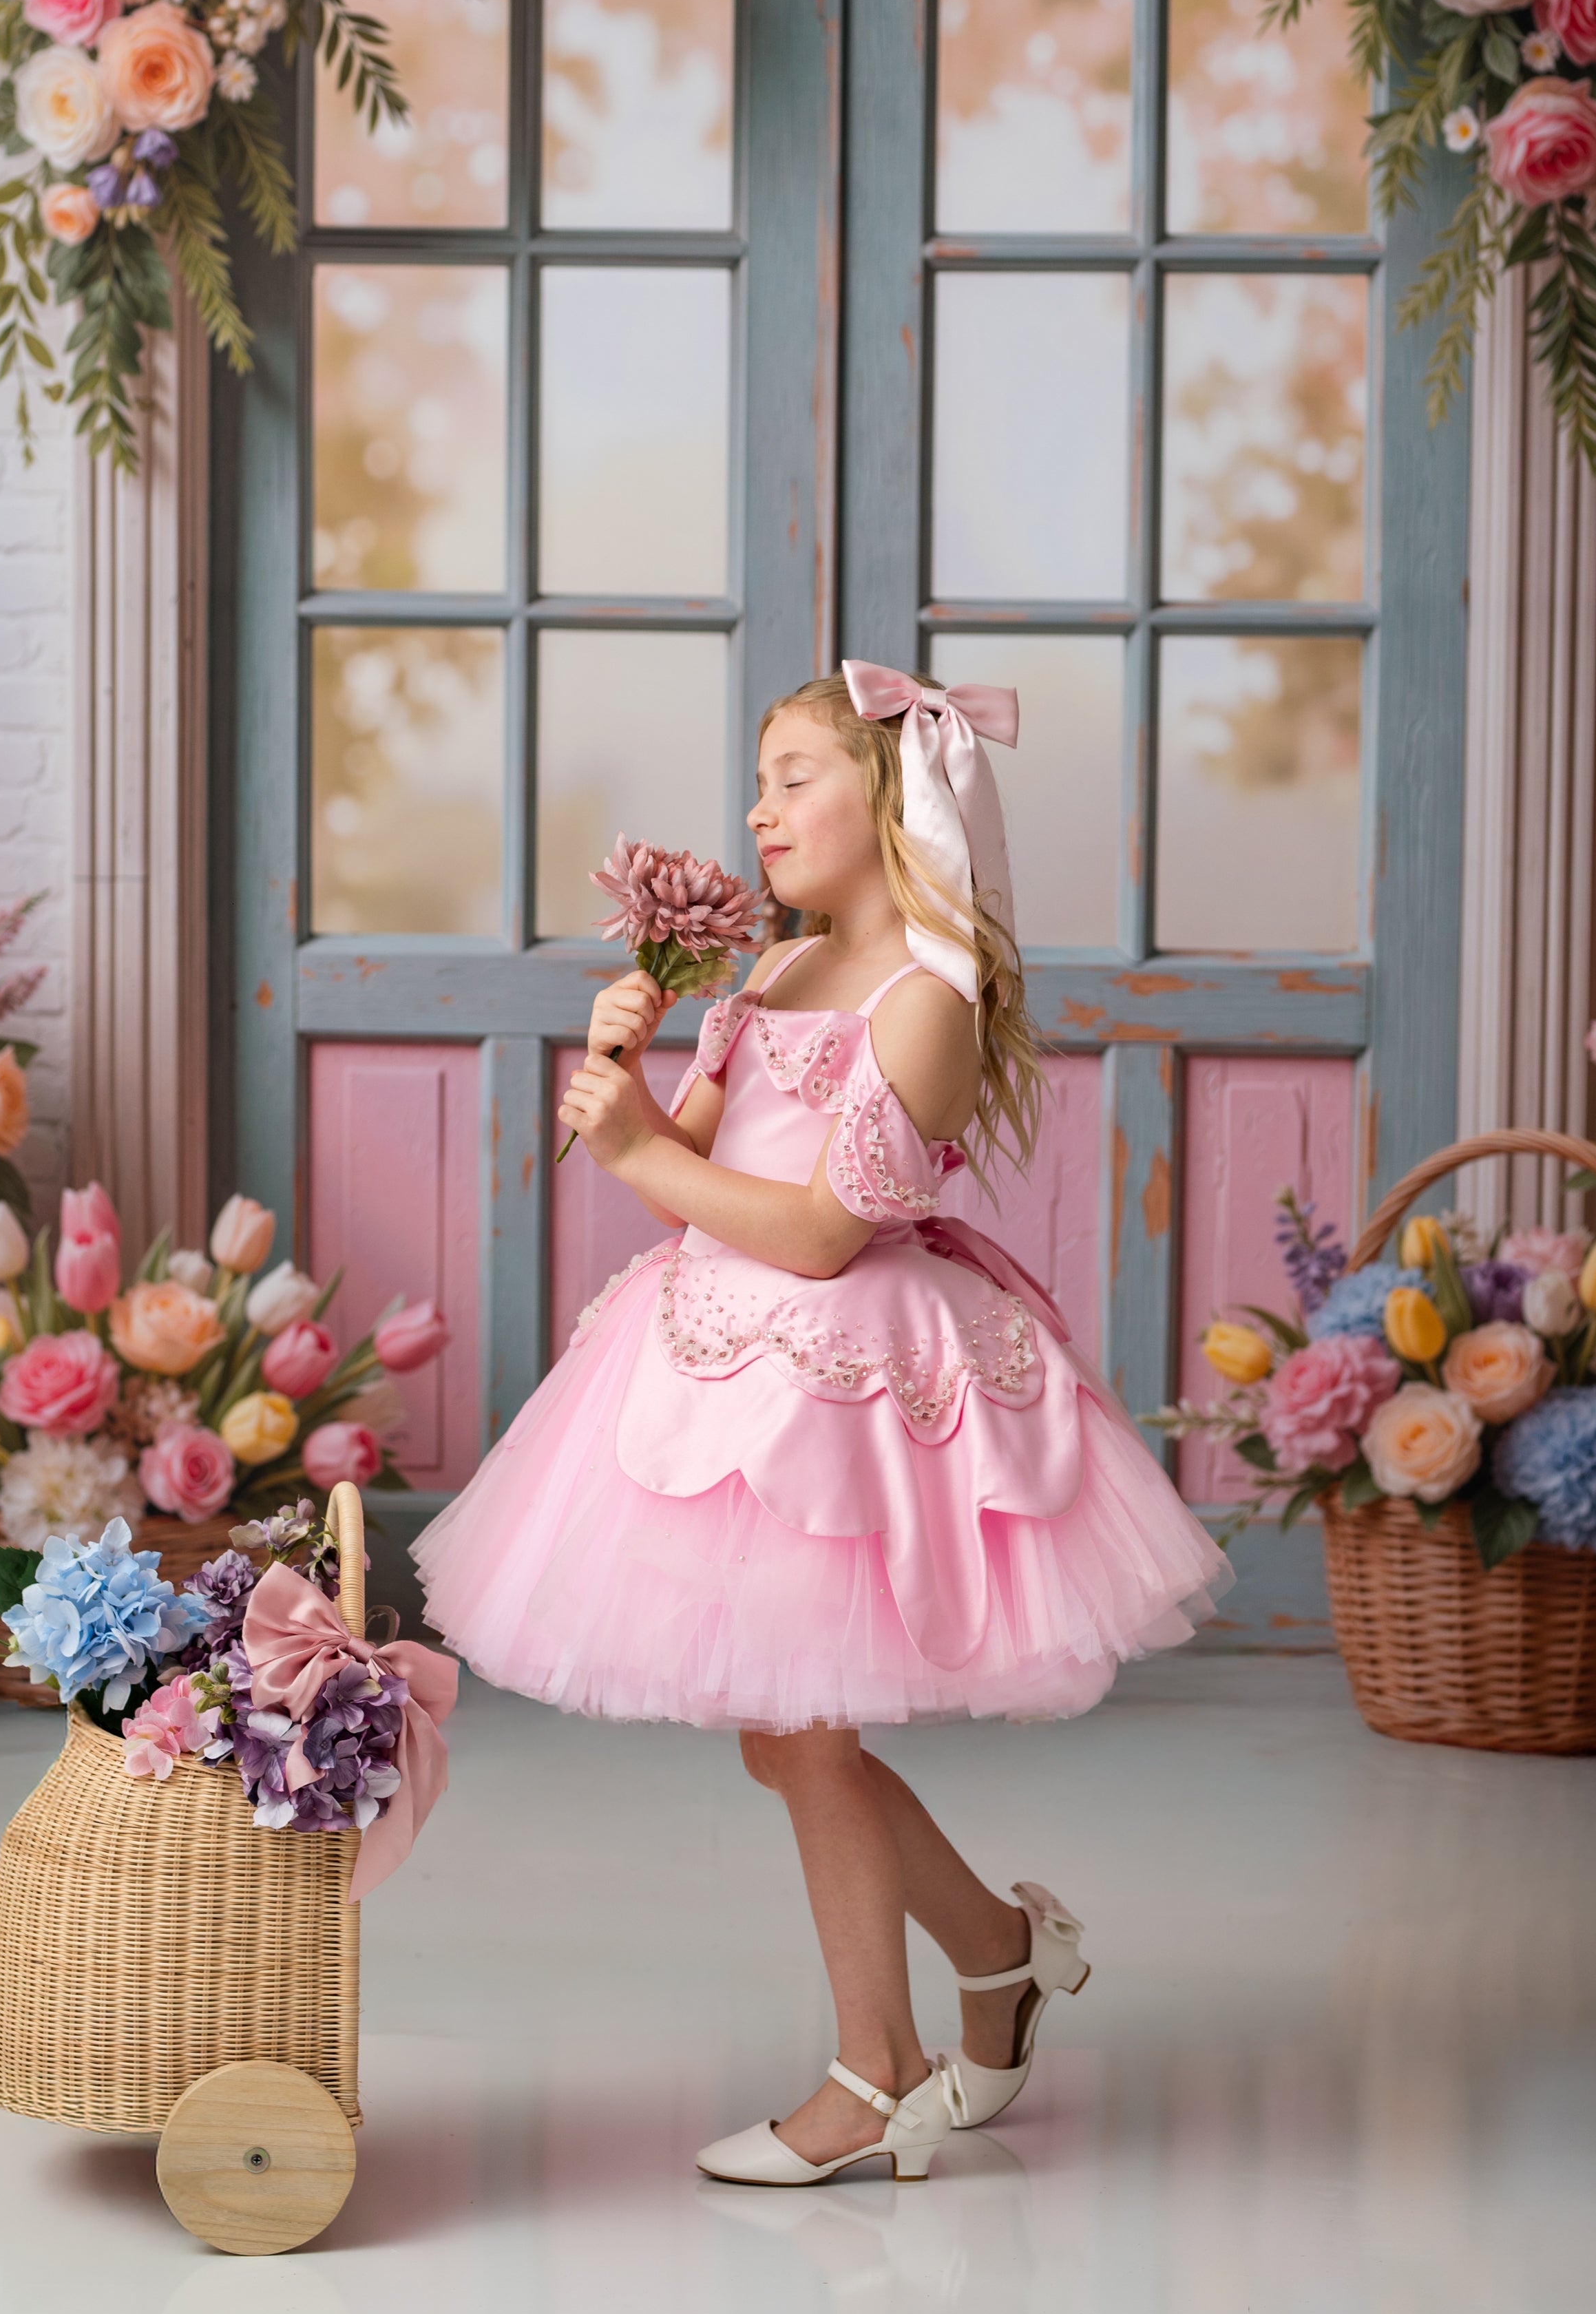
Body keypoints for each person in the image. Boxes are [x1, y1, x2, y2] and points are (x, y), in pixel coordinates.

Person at [413, 664, 1233, 2186]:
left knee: (804, 1735)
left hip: (842, 1384)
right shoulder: (776, 973)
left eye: (795, 777)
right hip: (725, 1370)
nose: (759, 811)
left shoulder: (925, 1000)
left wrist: (637, 1152)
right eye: (758, 781)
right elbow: (700, 1168)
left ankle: (880, 2069)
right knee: (781, 1745)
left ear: (893, 795)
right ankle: (997, 1951)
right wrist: (632, 1066)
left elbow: (812, 1232)